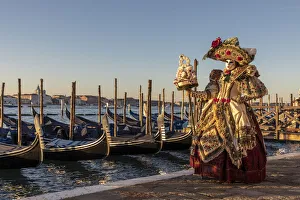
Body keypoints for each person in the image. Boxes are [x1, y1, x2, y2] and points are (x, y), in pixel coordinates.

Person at [187, 37, 268, 183]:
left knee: (237, 138)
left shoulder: (242, 75)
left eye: (231, 61)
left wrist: (242, 99)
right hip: (216, 108)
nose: (228, 64)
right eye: (226, 61)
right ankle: (215, 172)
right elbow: (212, 93)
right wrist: (192, 92)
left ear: (236, 62)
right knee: (209, 136)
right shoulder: (219, 76)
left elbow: (258, 90)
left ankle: (234, 173)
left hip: (234, 109)